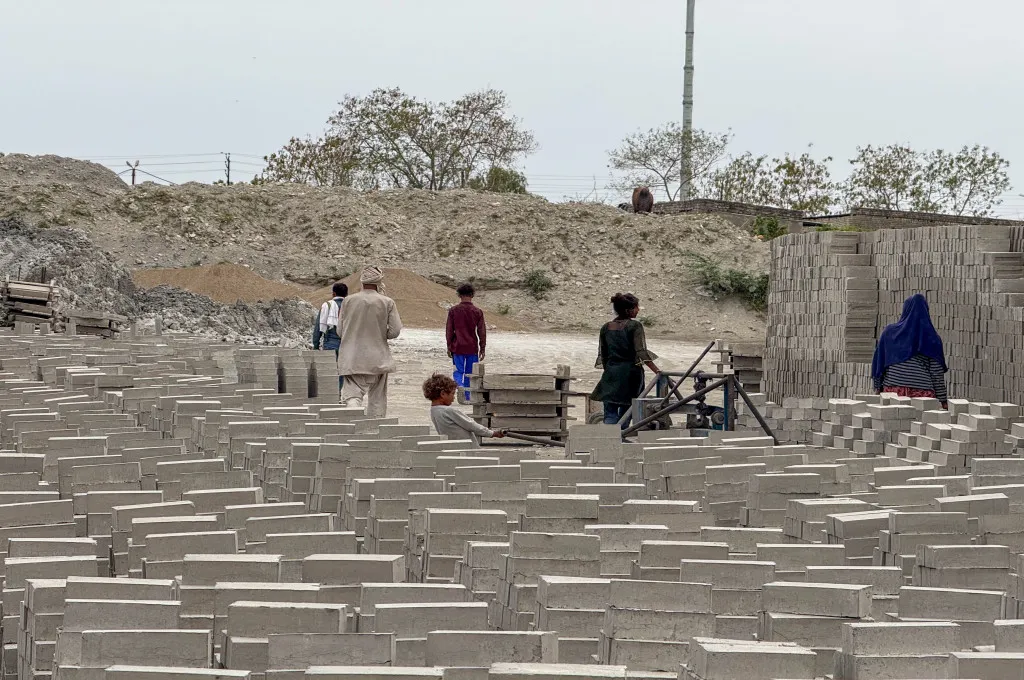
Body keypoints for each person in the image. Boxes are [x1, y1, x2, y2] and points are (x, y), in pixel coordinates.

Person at [337, 266, 403, 416]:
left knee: (353, 396)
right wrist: (379, 333)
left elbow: (340, 331)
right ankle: (375, 431)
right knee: (377, 400)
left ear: (361, 281)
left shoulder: (348, 301)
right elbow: (395, 331)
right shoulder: (387, 302)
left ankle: (352, 425)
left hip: (352, 358)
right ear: (379, 282)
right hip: (378, 359)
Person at [590, 292, 660, 429]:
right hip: (630, 375)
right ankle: (620, 439)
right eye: (636, 307)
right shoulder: (634, 326)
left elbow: (603, 355)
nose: (638, 310)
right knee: (627, 412)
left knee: (609, 412)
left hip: (610, 374)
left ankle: (610, 439)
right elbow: (641, 352)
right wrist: (657, 371)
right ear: (628, 310)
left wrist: (611, 370)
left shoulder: (606, 327)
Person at [871, 293, 948, 408]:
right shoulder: (932, 338)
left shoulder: (889, 333)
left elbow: (879, 363)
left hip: (893, 392)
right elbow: (936, 373)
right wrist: (943, 400)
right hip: (922, 394)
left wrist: (877, 389)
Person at [423, 373, 505, 446]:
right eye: (452, 394)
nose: (454, 397)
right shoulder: (448, 411)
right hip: (467, 448)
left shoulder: (434, 411)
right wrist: (492, 433)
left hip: (452, 448)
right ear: (443, 394)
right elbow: (471, 425)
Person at [446, 282, 486, 402]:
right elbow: (482, 331)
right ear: (472, 295)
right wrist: (482, 348)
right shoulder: (477, 311)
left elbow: (449, 330)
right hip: (472, 347)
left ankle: (460, 387)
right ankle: (468, 396)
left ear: (459, 295)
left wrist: (449, 346)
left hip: (457, 346)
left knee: (458, 370)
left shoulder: (453, 310)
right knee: (470, 373)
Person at [312, 281, 348, 391]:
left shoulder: (326, 305)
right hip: (346, 345)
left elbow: (319, 327)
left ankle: (330, 396)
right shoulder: (350, 306)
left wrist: (316, 345)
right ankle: (338, 393)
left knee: (330, 371)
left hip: (329, 344)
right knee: (341, 371)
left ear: (333, 294)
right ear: (346, 294)